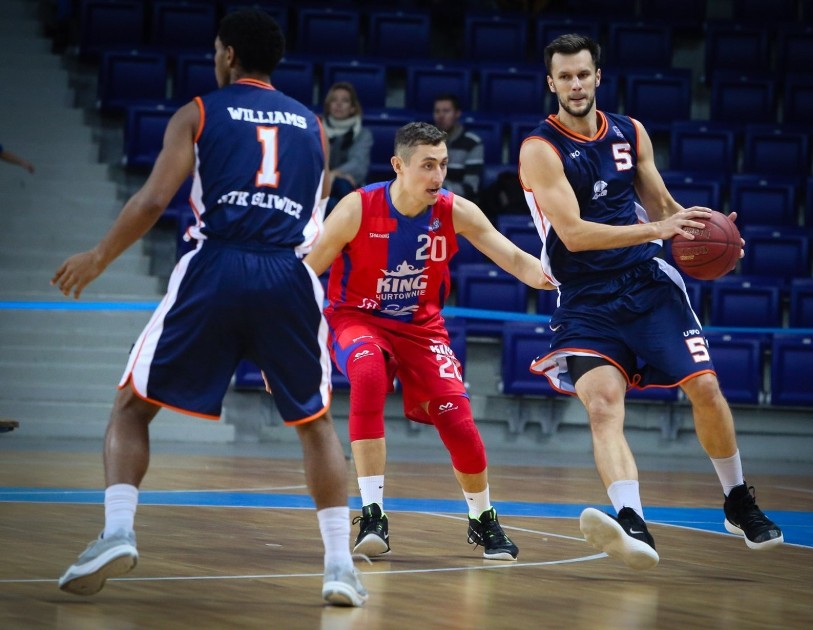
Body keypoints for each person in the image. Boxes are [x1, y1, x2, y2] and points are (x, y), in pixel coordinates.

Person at [51, 9, 367, 607]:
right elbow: (312, 219)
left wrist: (98, 257)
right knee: (315, 422)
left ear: (226, 54)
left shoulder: (198, 112)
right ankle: (339, 567)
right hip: (288, 272)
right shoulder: (314, 127)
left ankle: (118, 530)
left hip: (216, 263)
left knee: (130, 407)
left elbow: (150, 201)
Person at [518, 34, 784, 570]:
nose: (575, 84)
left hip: (647, 282)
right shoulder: (539, 150)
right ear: (551, 84)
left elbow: (659, 201)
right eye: (564, 76)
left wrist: (704, 231)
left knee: (705, 387)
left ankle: (737, 499)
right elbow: (572, 234)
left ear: (598, 76)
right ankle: (632, 520)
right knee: (600, 405)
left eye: (583, 74)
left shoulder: (629, 131)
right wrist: (658, 228)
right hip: (586, 297)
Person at [304, 121, 552, 561]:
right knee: (366, 372)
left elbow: (512, 256)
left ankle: (483, 518)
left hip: (421, 328)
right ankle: (373, 512)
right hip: (357, 319)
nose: (438, 177)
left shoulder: (456, 210)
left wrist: (554, 278)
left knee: (458, 419)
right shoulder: (357, 208)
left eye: (443, 165)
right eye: (427, 166)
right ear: (398, 166)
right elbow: (305, 275)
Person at [321, 82, 373, 213]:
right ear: (328, 105)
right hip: (319, 184)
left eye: (344, 100)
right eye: (334, 100)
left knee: (342, 186)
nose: (338, 104)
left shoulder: (363, 134)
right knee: (332, 200)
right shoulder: (317, 129)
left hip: (347, 188)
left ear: (353, 108)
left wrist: (333, 174)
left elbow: (358, 166)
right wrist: (329, 176)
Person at [432, 93, 484, 203]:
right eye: (437, 111)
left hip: (459, 205)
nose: (441, 115)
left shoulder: (472, 142)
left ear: (457, 114)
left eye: (446, 111)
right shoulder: (426, 142)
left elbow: (471, 188)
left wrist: (438, 190)